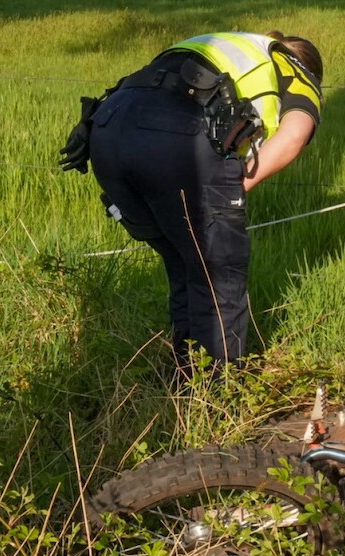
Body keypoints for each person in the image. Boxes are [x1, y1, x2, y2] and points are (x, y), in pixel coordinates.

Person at [59, 31, 323, 377]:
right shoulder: (295, 68)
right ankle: (215, 396)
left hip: (104, 134)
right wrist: (230, 188)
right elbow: (294, 135)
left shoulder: (224, 45)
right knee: (217, 272)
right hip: (173, 138)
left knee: (186, 260)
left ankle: (183, 376)